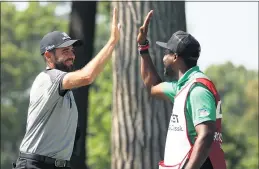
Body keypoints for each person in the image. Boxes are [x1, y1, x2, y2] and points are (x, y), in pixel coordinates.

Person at [13, 8, 121, 169]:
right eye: (65, 51)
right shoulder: (48, 78)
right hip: (35, 165)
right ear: (48, 56)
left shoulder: (65, 88)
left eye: (72, 50)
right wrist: (112, 41)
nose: (72, 55)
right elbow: (87, 76)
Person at [137, 10, 227, 169]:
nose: (163, 58)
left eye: (166, 53)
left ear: (175, 57)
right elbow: (152, 87)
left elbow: (206, 135)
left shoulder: (197, 89)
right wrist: (143, 47)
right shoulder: (183, 87)